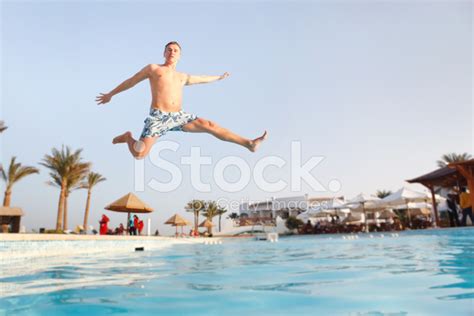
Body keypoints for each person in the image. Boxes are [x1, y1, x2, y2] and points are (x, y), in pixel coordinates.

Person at [96, 41, 267, 159]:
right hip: (158, 117)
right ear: (164, 53)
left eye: (175, 50)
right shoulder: (153, 69)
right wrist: (111, 94)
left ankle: (249, 143)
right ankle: (127, 138)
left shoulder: (182, 77)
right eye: (169, 49)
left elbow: (201, 78)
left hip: (178, 116)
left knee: (210, 126)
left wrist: (218, 77)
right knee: (140, 154)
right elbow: (131, 81)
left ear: (180, 56)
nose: (172, 52)